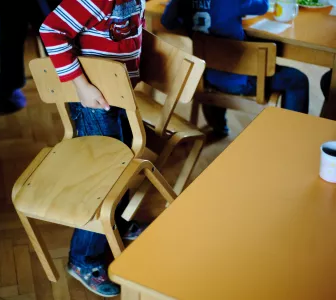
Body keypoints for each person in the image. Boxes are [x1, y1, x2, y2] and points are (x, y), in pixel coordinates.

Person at [40, 0, 145, 297]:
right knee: (104, 177)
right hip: (94, 102)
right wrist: (81, 85)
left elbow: (134, 28)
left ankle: (116, 221)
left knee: (122, 163)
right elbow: (51, 29)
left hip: (118, 92)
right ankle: (83, 258)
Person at [161, 0, 310, 139]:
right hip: (243, 81)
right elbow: (263, 6)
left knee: (215, 64)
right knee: (297, 80)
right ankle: (294, 136)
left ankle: (218, 127)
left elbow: (167, 21)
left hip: (206, 77)